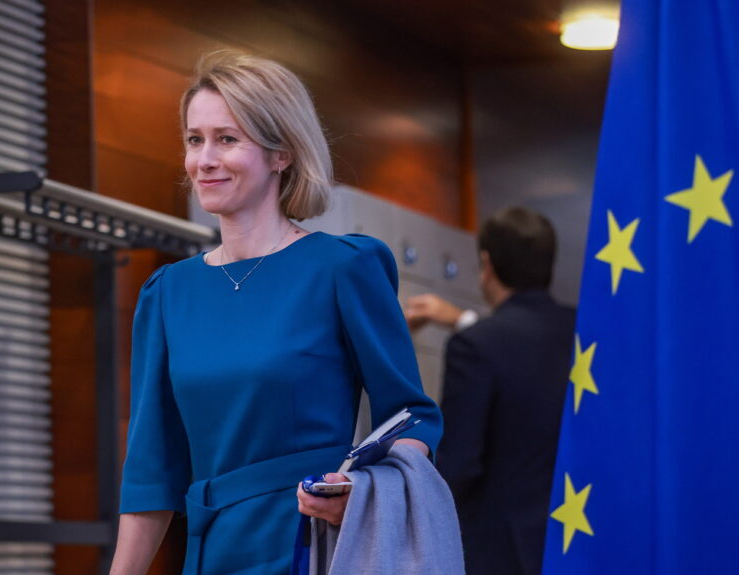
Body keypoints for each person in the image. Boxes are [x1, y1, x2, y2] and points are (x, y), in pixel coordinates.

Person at [109, 50, 442, 575]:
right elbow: (152, 471)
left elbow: (412, 417)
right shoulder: (167, 293)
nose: (204, 159)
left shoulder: (343, 268)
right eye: (195, 140)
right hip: (212, 551)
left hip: (312, 544)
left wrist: (363, 488)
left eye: (227, 139)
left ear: (281, 153)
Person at [406, 207, 575, 575]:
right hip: (579, 534)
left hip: (501, 549)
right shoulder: (585, 331)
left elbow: (460, 462)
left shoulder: (476, 345)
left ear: (487, 263)